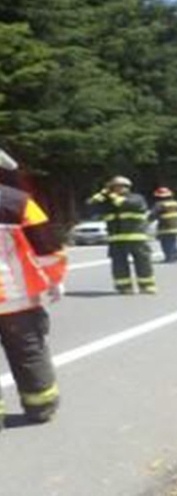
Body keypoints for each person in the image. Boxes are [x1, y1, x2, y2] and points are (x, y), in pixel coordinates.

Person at [0, 148, 66, 427]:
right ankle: (41, 407)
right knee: (28, 352)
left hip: (15, 297)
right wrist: (55, 280)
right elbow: (47, 248)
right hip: (15, 298)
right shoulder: (19, 203)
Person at [88, 176, 157, 294]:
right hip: (116, 239)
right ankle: (124, 287)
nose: (116, 189)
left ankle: (147, 286)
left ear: (127, 187)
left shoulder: (136, 198)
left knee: (142, 263)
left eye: (119, 187)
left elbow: (124, 204)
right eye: (113, 187)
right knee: (119, 265)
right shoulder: (109, 202)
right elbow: (90, 205)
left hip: (136, 238)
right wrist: (102, 194)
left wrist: (111, 195)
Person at [151, 187, 177, 263]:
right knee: (173, 240)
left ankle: (169, 257)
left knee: (165, 242)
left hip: (165, 226)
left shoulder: (159, 204)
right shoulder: (176, 203)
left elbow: (153, 215)